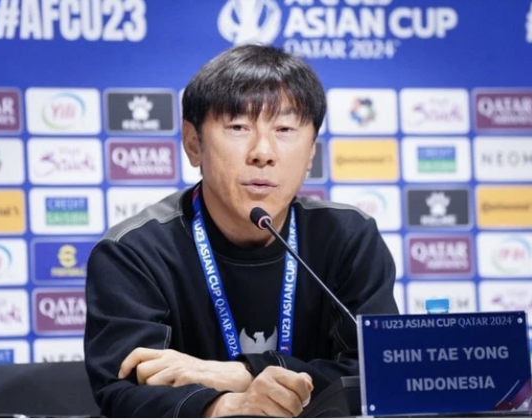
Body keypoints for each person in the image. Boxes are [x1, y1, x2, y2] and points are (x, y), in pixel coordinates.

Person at [84, 44, 398, 418]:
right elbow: (123, 392)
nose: (263, 152)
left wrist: (243, 373)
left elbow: (379, 371)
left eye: (285, 129)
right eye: (238, 127)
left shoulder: (347, 237)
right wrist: (225, 406)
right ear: (193, 143)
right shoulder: (134, 252)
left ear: (311, 151)